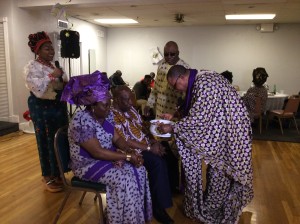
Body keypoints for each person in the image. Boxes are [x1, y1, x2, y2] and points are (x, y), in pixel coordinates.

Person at [157, 65, 254, 223]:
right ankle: (213, 206)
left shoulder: (205, 84)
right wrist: (174, 114)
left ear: (182, 78)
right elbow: (197, 107)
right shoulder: (200, 78)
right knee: (217, 171)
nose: (176, 89)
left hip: (232, 134)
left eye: (175, 85)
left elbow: (200, 118)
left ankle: (217, 209)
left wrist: (173, 127)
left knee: (220, 173)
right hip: (227, 131)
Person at [61, 71, 152, 224]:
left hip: (106, 157)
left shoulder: (107, 115)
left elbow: (118, 139)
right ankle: (118, 219)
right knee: (123, 179)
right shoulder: (81, 120)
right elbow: (96, 152)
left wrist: (129, 151)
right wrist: (127, 157)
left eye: (109, 104)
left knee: (140, 170)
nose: (109, 108)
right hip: (87, 164)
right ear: (92, 105)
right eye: (105, 105)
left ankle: (134, 218)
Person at [111, 86, 174, 224]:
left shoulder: (131, 110)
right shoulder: (112, 115)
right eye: (127, 100)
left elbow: (143, 128)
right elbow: (124, 141)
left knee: (169, 154)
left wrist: (152, 140)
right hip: (131, 151)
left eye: (131, 99)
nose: (131, 103)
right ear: (116, 99)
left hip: (146, 144)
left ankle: (167, 192)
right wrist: (149, 147)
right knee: (157, 163)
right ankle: (158, 207)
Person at [24, 31, 69, 193]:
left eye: (52, 48)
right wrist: (52, 75)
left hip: (58, 107)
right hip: (42, 109)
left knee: (59, 140)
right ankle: (47, 176)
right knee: (46, 140)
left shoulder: (55, 65)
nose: (51, 52)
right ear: (38, 51)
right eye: (47, 49)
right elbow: (36, 89)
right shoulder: (32, 67)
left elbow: (61, 84)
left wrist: (65, 81)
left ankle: (58, 173)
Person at [144, 41, 190, 193]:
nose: (169, 57)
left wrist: (178, 112)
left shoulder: (184, 67)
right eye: (166, 54)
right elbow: (155, 89)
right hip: (160, 112)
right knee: (161, 149)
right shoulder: (161, 65)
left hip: (174, 115)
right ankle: (163, 183)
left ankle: (175, 184)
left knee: (174, 151)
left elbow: (186, 97)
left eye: (173, 54)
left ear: (178, 52)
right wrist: (149, 104)